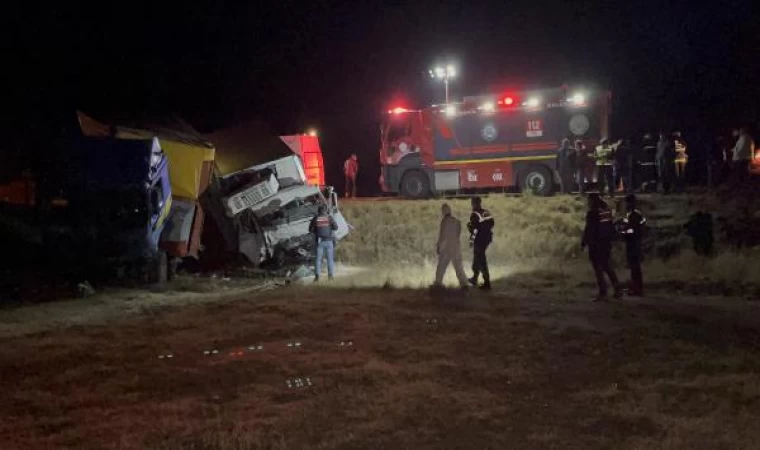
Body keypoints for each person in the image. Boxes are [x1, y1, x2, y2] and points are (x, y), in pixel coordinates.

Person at [581, 193, 621, 301]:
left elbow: (589, 230)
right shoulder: (606, 211)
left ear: (592, 201)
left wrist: (583, 243)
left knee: (598, 268)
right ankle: (617, 288)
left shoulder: (592, 213)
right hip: (606, 243)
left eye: (588, 201)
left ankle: (603, 292)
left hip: (596, 245)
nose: (587, 203)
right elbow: (611, 227)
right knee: (608, 266)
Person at [434, 203, 469, 288]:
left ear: (443, 212)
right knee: (459, 267)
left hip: (446, 248)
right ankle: (464, 284)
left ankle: (438, 283)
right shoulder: (457, 221)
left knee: (441, 267)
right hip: (456, 248)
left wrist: (438, 247)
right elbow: (458, 234)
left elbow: (442, 236)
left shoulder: (444, 222)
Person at [617, 194, 646, 296]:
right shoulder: (635, 214)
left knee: (635, 267)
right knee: (634, 267)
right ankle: (636, 287)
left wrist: (623, 233)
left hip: (633, 243)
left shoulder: (634, 215)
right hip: (635, 243)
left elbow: (632, 230)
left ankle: (637, 289)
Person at [467, 196, 494, 290]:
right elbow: (492, 223)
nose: (472, 204)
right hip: (487, 238)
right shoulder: (486, 212)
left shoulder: (474, 214)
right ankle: (474, 278)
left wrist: (471, 240)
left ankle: (487, 283)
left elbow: (475, 230)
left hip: (479, 240)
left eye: (472, 202)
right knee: (477, 257)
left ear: (474, 203)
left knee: (481, 260)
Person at [309, 205, 338, 281]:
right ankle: (330, 276)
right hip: (329, 242)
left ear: (318, 211)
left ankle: (317, 277)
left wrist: (316, 230)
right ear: (326, 210)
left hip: (319, 242)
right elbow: (336, 227)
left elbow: (310, 230)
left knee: (318, 260)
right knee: (330, 259)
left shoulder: (315, 218)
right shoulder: (329, 217)